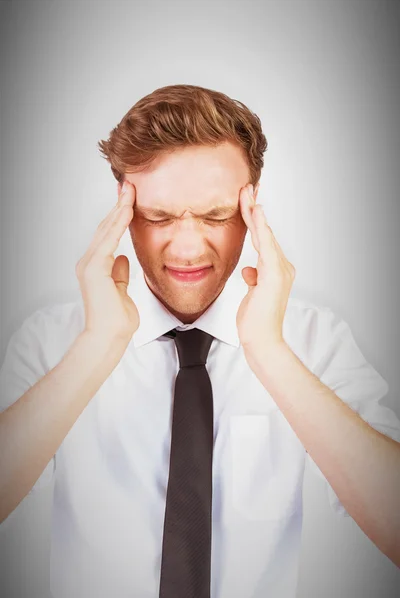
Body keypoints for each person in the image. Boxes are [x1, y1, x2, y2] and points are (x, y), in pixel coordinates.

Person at [0, 84, 399, 598]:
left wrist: (270, 352)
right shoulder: (53, 341)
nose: (187, 248)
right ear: (123, 214)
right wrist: (97, 346)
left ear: (252, 209)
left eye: (215, 217)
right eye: (158, 217)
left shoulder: (314, 340)